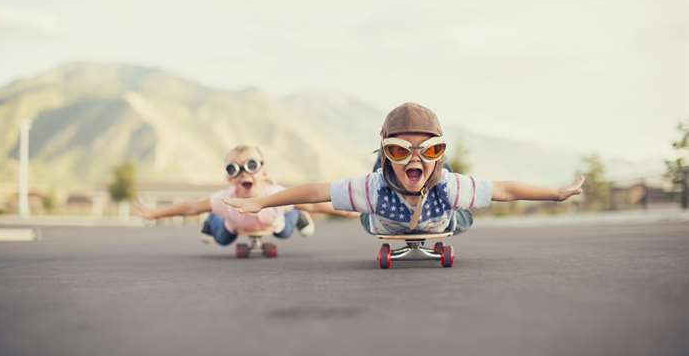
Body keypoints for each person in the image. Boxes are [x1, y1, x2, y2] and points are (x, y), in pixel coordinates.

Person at [223, 103, 585, 236]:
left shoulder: (451, 188)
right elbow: (315, 191)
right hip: (381, 218)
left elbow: (505, 190)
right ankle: (390, 161)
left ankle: (432, 165)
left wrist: (556, 193)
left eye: (429, 150)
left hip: (442, 218)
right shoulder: (371, 189)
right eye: (399, 149)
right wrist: (262, 203)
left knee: (461, 209)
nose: (415, 158)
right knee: (367, 201)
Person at [134, 145, 354, 246]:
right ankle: (212, 222)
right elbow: (191, 207)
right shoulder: (225, 200)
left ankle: (296, 216)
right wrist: (155, 214)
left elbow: (314, 205)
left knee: (285, 231)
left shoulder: (275, 194)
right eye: (234, 169)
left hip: (273, 223)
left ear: (264, 173)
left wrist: (347, 211)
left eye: (251, 165)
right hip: (235, 226)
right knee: (221, 239)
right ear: (230, 178)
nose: (243, 174)